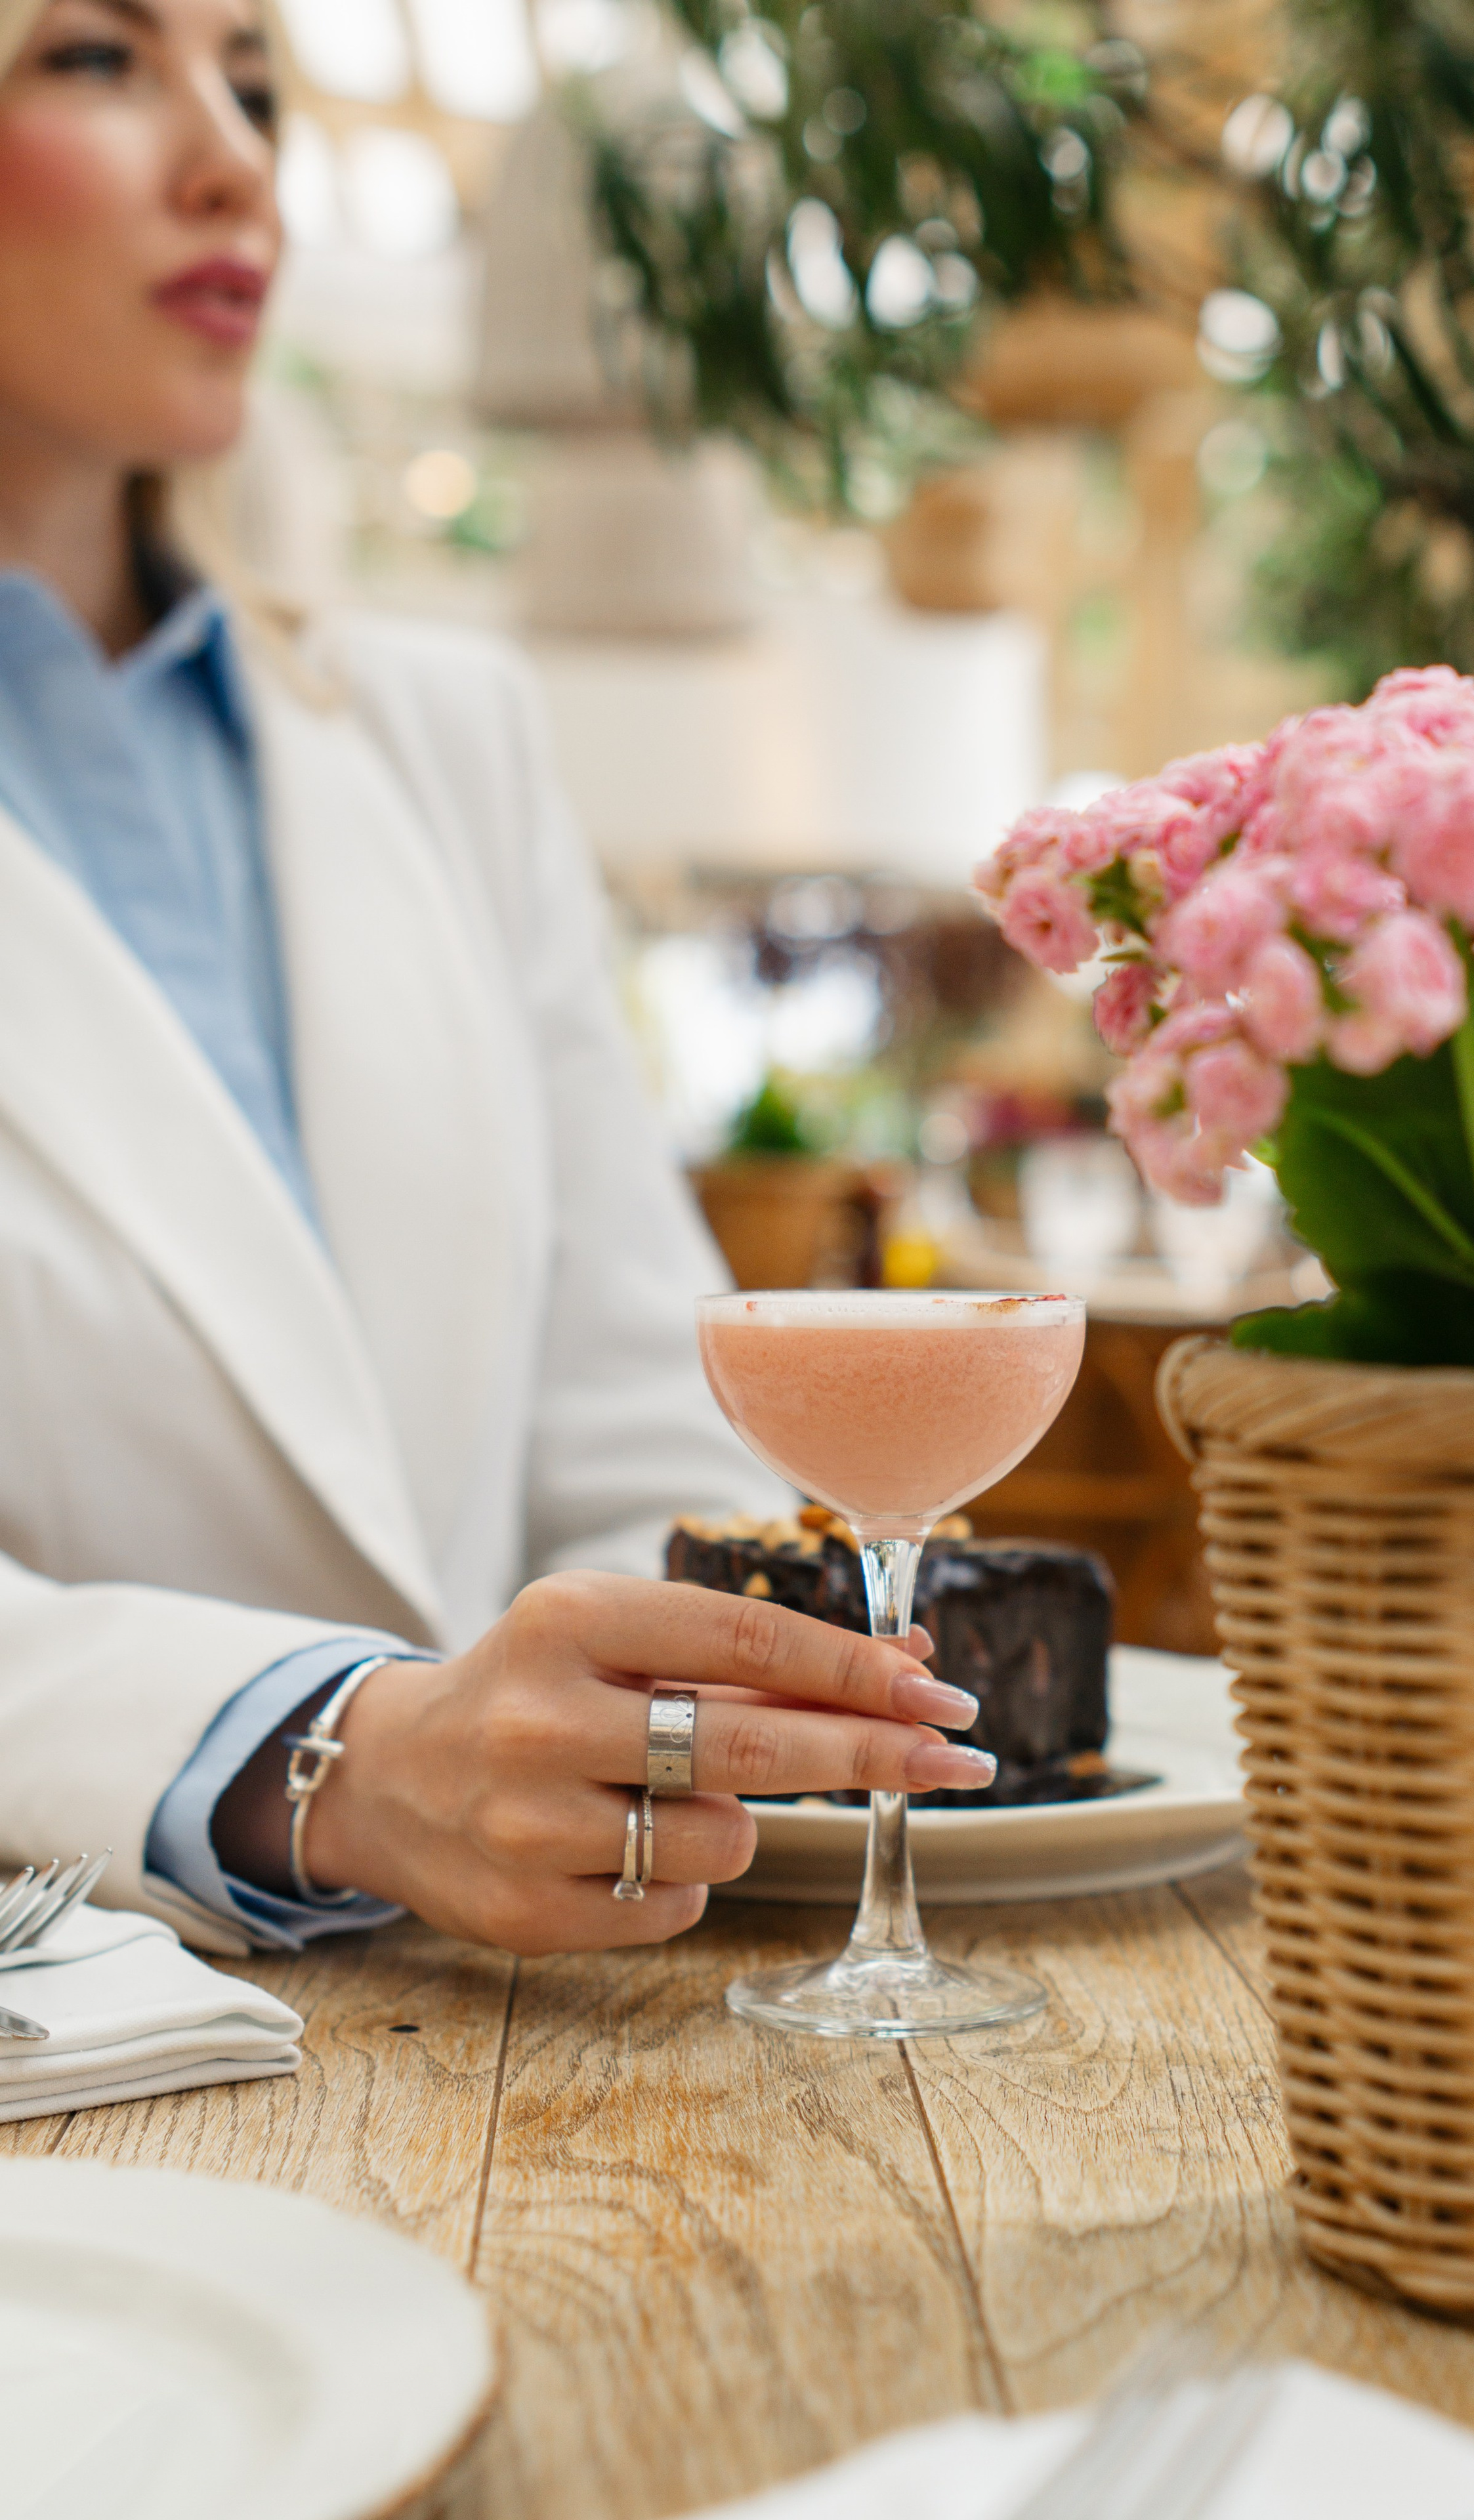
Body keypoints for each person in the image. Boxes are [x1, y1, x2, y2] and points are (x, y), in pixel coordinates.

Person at [0, 0, 994, 1961]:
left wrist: (611, 1739)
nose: (232, 158)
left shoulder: (448, 743)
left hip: (530, 2029)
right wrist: (339, 1759)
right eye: (96, 59)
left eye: (258, 78)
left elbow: (630, 1409)